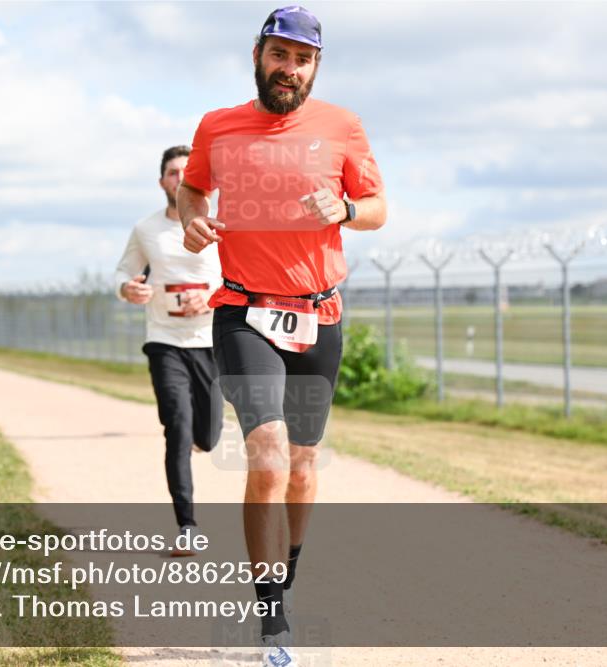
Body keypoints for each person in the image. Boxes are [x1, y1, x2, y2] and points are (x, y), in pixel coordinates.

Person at [177, 6, 386, 662]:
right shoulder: (218, 125)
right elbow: (191, 190)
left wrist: (348, 209)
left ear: (315, 66)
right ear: (258, 55)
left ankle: (286, 571)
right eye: (279, 55)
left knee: (301, 467)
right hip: (244, 312)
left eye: (302, 59)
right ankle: (272, 619)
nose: (289, 69)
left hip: (318, 315)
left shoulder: (342, 127)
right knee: (265, 454)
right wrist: (192, 219)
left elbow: (379, 209)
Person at [114, 145, 224, 555]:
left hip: (209, 341)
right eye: (173, 172)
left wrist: (210, 298)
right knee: (177, 426)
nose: (180, 178)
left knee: (209, 437)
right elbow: (125, 271)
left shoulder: (219, 225)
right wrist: (128, 288)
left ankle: (202, 437)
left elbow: (237, 276)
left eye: (187, 171)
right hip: (164, 340)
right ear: (162, 181)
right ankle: (187, 526)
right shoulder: (146, 229)